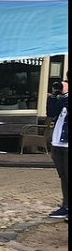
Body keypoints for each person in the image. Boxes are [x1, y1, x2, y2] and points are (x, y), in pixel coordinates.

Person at [46, 74, 68, 221]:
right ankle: (66, 206)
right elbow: (51, 112)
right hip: (58, 142)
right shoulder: (63, 99)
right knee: (64, 176)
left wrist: (65, 95)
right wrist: (54, 96)